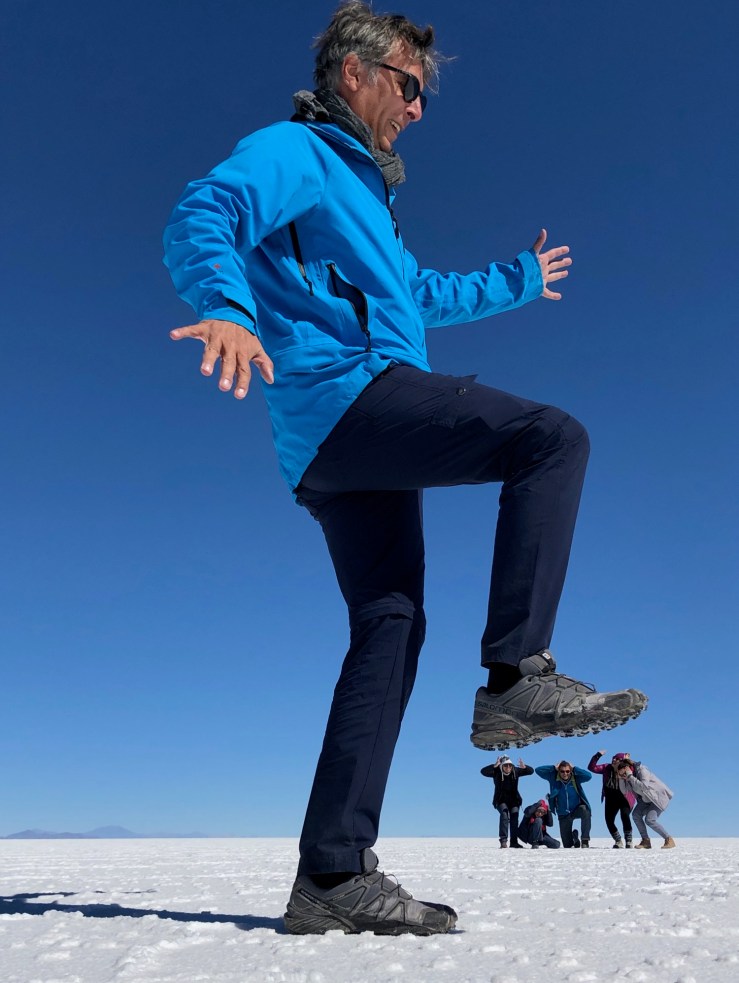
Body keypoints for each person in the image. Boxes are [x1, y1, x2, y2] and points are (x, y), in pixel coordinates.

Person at [163, 1, 648, 935]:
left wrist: (514, 278)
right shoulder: (297, 152)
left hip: (339, 446)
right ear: (354, 74)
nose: (419, 107)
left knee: (389, 632)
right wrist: (225, 302)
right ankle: (517, 676)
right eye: (410, 85)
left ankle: (333, 875)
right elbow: (207, 208)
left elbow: (417, 292)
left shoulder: (370, 203)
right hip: (345, 399)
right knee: (550, 438)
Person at [616, 758, 675, 849]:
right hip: (645, 799)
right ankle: (645, 841)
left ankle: (668, 839)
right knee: (636, 815)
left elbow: (644, 787)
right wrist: (621, 779)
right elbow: (624, 791)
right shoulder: (628, 778)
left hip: (657, 798)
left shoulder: (642, 771)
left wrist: (630, 777)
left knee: (650, 820)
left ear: (628, 768)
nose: (624, 776)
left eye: (624, 773)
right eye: (621, 774)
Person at [535, 761, 593, 848]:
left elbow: (589, 776)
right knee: (568, 845)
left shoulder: (575, 778)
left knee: (585, 810)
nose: (565, 773)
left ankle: (585, 840)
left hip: (576, 809)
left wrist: (575, 768)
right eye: (562, 771)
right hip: (563, 814)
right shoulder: (553, 778)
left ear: (570, 771)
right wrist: (553, 767)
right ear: (558, 771)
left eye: (567, 771)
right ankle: (574, 838)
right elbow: (538, 770)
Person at [480, 755, 533, 848]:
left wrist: (524, 767)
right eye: (505, 765)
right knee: (504, 815)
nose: (508, 767)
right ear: (502, 766)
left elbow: (531, 771)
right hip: (500, 800)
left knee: (514, 817)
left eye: (510, 765)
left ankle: (514, 842)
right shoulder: (496, 771)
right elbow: (483, 772)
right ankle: (503, 841)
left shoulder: (515, 771)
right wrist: (494, 765)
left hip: (514, 800)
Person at [588, 749, 635, 848]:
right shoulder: (606, 768)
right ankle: (618, 841)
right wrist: (597, 755)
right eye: (613, 758)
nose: (614, 760)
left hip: (624, 798)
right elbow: (591, 768)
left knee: (625, 815)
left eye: (617, 759)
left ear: (622, 761)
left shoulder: (628, 769)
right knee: (609, 820)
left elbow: (635, 768)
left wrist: (628, 761)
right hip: (610, 798)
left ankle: (629, 840)